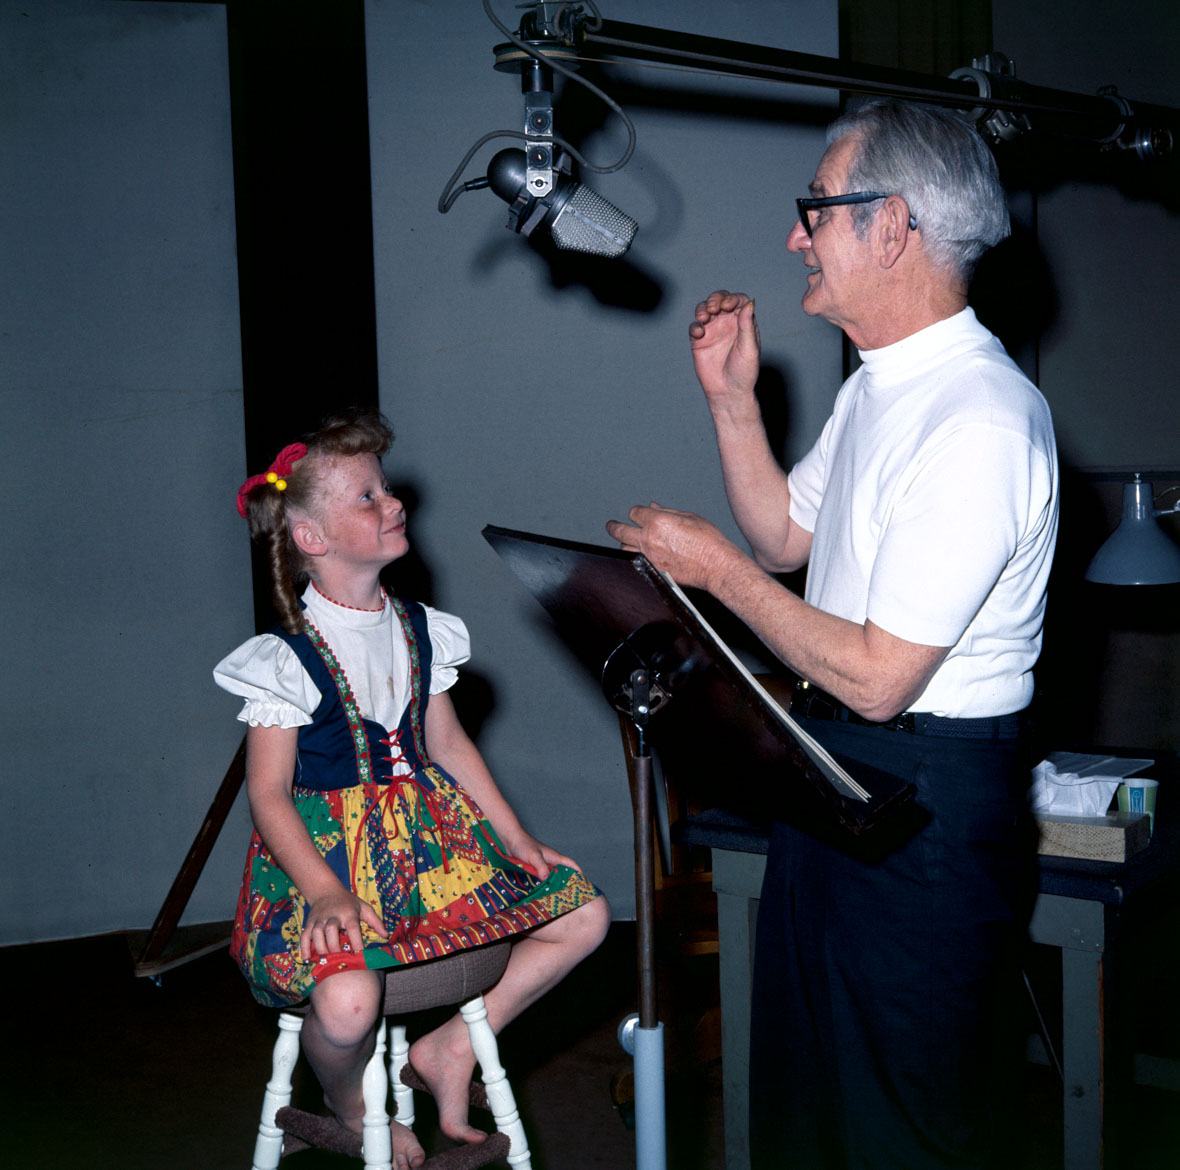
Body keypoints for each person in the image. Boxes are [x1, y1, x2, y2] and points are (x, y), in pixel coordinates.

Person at [607, 99, 1059, 1169]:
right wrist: (730, 403)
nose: (793, 235)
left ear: (891, 228)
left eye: (816, 209)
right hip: (838, 774)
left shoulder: (980, 418)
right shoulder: (882, 387)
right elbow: (783, 539)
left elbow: (874, 677)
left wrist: (710, 571)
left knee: (901, 1127)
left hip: (924, 802)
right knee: (807, 1103)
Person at [216, 410, 610, 1170]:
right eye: (367, 496)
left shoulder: (423, 629)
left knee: (585, 914)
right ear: (312, 540)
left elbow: (450, 744)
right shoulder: (284, 660)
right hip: (328, 870)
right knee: (347, 1002)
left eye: (386, 489)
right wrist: (326, 895)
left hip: (433, 855)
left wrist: (514, 837)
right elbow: (267, 794)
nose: (393, 503)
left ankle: (453, 1045)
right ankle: (351, 1101)